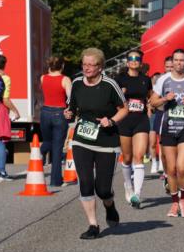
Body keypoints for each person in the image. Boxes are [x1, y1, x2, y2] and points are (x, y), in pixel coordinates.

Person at [64, 48, 127, 239]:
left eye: (92, 65)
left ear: (100, 67)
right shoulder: (76, 84)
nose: (88, 68)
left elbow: (124, 109)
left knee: (103, 189)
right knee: (85, 182)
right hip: (82, 140)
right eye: (85, 64)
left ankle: (109, 205)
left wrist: (112, 121)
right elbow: (72, 109)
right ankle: (93, 225)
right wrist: (68, 114)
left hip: (106, 142)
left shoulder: (110, 85)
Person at [151, 48, 184, 218]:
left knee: (183, 167)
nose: (178, 63)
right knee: (172, 169)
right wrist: (164, 99)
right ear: (172, 62)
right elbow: (153, 101)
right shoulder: (163, 80)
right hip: (168, 127)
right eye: (176, 60)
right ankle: (175, 202)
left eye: (181, 60)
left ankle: (183, 199)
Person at [116, 49, 154, 208]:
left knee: (139, 156)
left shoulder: (146, 79)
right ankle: (128, 186)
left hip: (141, 120)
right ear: (127, 61)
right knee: (127, 157)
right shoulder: (119, 79)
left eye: (137, 58)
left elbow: (151, 97)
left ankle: (137, 195)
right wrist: (120, 96)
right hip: (125, 120)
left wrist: (151, 107)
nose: (134, 60)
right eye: (131, 58)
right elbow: (112, 100)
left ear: (141, 61)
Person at [39, 55, 72, 188]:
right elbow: (70, 98)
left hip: (45, 112)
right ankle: (55, 180)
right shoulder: (65, 79)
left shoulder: (43, 78)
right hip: (60, 113)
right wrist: (70, 110)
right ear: (62, 66)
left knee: (47, 141)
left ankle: (39, 153)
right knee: (57, 148)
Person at [147, 70, 164, 173]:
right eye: (155, 76)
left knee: (161, 140)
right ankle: (154, 162)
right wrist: (149, 109)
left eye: (159, 76)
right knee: (152, 142)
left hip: (161, 113)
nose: (156, 78)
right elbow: (147, 101)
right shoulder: (150, 90)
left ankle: (162, 162)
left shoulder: (164, 88)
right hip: (153, 115)